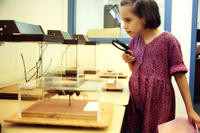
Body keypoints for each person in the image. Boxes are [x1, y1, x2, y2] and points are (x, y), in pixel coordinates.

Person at [120, 0, 200, 132]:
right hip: (136, 103)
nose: (124, 26)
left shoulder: (168, 41)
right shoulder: (134, 42)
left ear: (144, 18)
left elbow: (180, 77)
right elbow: (135, 71)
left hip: (158, 104)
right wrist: (130, 61)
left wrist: (190, 110)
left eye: (128, 20)